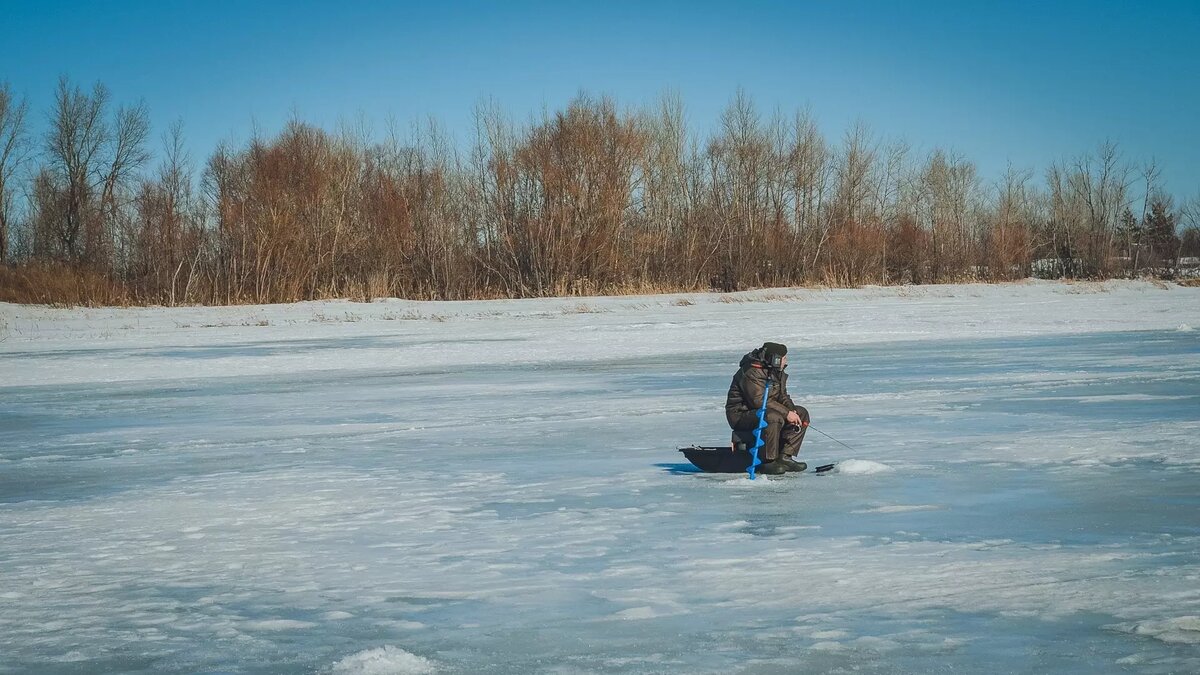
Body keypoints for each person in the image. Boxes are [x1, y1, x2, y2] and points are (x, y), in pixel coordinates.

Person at [725, 342, 810, 475]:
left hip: (767, 410)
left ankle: (785, 456)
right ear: (775, 358)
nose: (785, 361)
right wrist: (786, 413)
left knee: (801, 414)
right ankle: (767, 461)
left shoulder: (777, 371)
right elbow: (758, 401)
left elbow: (782, 395)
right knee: (771, 417)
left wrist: (791, 410)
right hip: (741, 415)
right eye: (784, 358)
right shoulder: (752, 371)